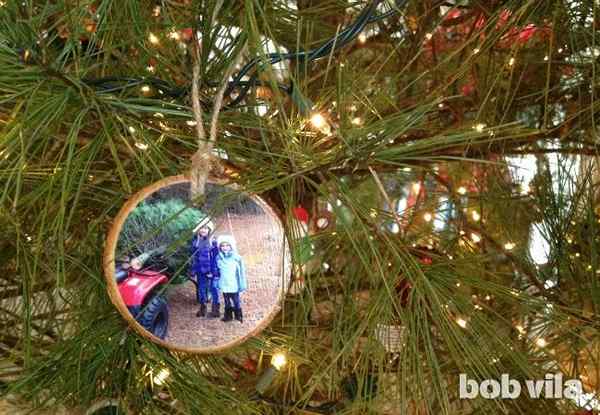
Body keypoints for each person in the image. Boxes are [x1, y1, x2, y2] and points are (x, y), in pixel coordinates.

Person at [189, 220, 220, 318]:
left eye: (206, 228)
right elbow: (194, 258)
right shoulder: (195, 243)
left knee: (213, 288)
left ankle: (215, 309)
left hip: (211, 271)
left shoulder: (213, 243)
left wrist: (213, 271)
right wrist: (193, 270)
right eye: (201, 228)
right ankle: (203, 307)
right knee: (201, 289)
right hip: (200, 271)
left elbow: (215, 258)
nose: (203, 230)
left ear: (209, 230)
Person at [216, 235, 247, 323]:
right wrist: (216, 279)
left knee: (236, 300)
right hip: (224, 283)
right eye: (222, 246)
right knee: (226, 300)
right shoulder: (218, 258)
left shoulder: (237, 258)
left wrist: (242, 284)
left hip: (234, 284)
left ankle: (238, 315)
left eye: (227, 245)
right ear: (220, 247)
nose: (225, 248)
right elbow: (217, 271)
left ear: (231, 246)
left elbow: (241, 272)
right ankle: (228, 315)